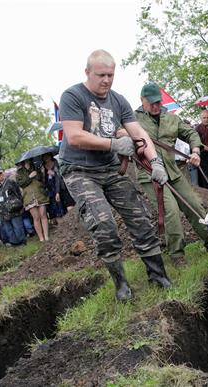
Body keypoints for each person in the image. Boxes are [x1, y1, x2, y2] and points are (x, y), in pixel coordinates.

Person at [59, 50, 171, 301]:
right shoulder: (73, 96)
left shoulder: (118, 100)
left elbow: (139, 132)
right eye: (101, 75)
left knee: (140, 219)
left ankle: (158, 276)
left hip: (111, 169)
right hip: (80, 171)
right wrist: (113, 144)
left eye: (111, 75)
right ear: (87, 72)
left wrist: (155, 162)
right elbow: (74, 136)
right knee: (104, 226)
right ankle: (121, 285)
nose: (107, 80)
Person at [134, 82, 208, 267]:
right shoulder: (133, 119)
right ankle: (177, 255)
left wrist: (195, 151)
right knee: (170, 211)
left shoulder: (170, 118)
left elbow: (190, 134)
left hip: (173, 171)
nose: (156, 106)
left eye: (158, 102)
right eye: (152, 103)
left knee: (194, 204)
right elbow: (121, 135)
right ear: (142, 100)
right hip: (150, 174)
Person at [16, 159, 49, 241]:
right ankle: (41, 238)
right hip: (29, 197)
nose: (27, 161)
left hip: (40, 194)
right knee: (36, 217)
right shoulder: (19, 172)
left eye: (28, 160)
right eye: (25, 160)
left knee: (43, 215)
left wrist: (36, 173)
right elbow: (21, 184)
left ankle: (46, 236)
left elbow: (41, 179)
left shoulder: (36, 168)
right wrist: (29, 177)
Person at [0, 167, 26, 246]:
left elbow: (18, 193)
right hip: (3, 210)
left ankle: (22, 241)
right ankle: (14, 242)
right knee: (8, 228)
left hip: (13, 208)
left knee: (17, 226)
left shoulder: (11, 182)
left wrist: (20, 204)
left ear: (4, 173)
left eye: (0, 173)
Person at [43, 152, 74, 224]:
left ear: (50, 156)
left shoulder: (56, 163)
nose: (46, 158)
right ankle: (63, 227)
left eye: (47, 155)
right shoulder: (43, 167)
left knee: (67, 206)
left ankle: (72, 223)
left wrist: (54, 173)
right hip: (51, 192)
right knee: (56, 210)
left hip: (61, 188)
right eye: (44, 156)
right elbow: (44, 181)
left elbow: (60, 176)